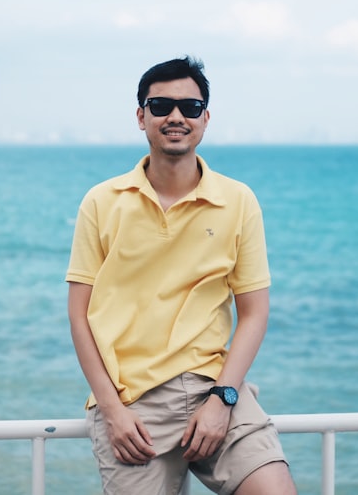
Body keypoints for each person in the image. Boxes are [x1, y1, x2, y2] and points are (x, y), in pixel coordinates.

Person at [66, 57, 296, 495]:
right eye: (160, 106)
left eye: (190, 107)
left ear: (206, 118)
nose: (176, 117)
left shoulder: (238, 201)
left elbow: (253, 312)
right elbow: (79, 315)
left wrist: (223, 399)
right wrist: (111, 410)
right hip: (132, 403)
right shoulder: (101, 201)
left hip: (215, 387)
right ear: (141, 116)